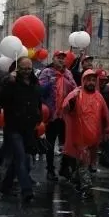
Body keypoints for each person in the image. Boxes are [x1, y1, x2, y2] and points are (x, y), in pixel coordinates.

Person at [62, 69, 109, 199]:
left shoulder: (98, 96)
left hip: (94, 135)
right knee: (83, 162)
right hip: (80, 135)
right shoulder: (76, 94)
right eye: (88, 79)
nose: (91, 82)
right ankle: (87, 188)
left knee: (88, 162)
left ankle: (75, 178)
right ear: (83, 80)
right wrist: (71, 102)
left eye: (93, 80)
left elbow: (105, 112)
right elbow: (65, 108)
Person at [0, 56, 41, 202]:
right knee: (21, 157)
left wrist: (38, 117)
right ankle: (27, 190)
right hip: (14, 126)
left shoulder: (34, 82)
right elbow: (1, 98)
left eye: (29, 69)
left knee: (20, 159)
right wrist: (9, 82)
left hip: (28, 127)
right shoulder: (11, 82)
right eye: (24, 69)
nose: (27, 71)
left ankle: (6, 185)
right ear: (17, 68)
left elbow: (37, 102)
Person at [38, 51, 77, 182]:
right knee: (50, 143)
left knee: (66, 143)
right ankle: (50, 169)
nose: (61, 60)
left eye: (63, 58)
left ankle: (64, 168)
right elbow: (40, 91)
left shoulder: (68, 73)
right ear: (53, 59)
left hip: (65, 115)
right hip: (51, 114)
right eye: (58, 58)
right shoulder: (46, 72)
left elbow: (75, 90)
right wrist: (50, 83)